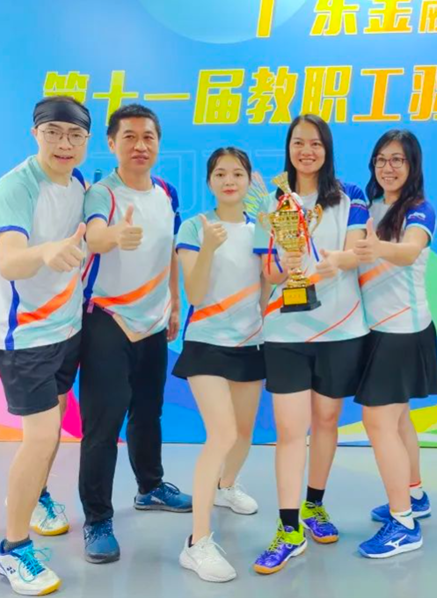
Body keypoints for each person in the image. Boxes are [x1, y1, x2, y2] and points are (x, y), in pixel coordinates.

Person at [252, 114, 369, 574]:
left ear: (327, 149)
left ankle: (314, 504)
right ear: (289, 148)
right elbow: (268, 272)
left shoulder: (350, 195)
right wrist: (287, 266)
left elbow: (356, 249)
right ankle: (288, 528)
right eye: (299, 143)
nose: (307, 151)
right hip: (286, 333)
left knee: (326, 421)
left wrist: (331, 263)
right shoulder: (273, 202)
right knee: (289, 431)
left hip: (340, 329)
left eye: (315, 143)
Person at [79, 104, 191, 564]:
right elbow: (93, 236)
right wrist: (113, 237)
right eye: (129, 136)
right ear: (112, 143)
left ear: (158, 143)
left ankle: (150, 487)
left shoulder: (166, 192)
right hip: (108, 320)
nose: (140, 145)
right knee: (102, 426)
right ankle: (97, 519)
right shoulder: (102, 193)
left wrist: (174, 303)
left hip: (153, 322)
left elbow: (170, 252)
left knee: (148, 412)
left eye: (148, 137)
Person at [0, 96, 91, 595]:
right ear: (36, 134)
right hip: (25, 336)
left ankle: (41, 495)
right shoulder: (17, 186)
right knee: (41, 437)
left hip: (67, 329)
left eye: (74, 135)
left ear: (86, 141)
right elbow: (9, 262)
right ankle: (11, 549)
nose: (64, 144)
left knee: (53, 429)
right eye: (53, 132)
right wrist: (46, 251)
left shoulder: (80, 183)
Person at [172, 147, 267, 582]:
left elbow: (268, 285)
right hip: (207, 343)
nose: (229, 180)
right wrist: (209, 247)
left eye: (238, 173)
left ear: (248, 180)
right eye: (221, 174)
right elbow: (194, 292)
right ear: (209, 181)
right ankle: (197, 541)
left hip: (251, 342)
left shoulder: (260, 227)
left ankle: (227, 487)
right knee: (223, 434)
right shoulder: (195, 227)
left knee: (244, 433)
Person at [353, 129, 437, 559]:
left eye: (398, 160)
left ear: (413, 166)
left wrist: (374, 247)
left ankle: (404, 523)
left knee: (378, 422)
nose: (388, 168)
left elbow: (410, 251)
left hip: (402, 330)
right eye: (382, 159)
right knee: (400, 418)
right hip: (374, 329)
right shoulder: (366, 206)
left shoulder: (419, 209)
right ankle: (415, 495)